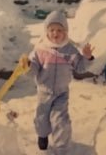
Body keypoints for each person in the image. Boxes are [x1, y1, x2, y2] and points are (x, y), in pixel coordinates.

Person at [25, 10, 94, 154]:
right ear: (46, 31)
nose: (55, 33)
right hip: (44, 92)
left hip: (62, 93)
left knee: (60, 121)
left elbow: (80, 67)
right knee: (42, 118)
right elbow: (33, 69)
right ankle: (42, 135)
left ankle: (61, 148)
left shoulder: (70, 50)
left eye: (59, 30)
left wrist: (87, 58)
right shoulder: (40, 50)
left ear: (66, 31)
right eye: (51, 30)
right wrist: (27, 66)